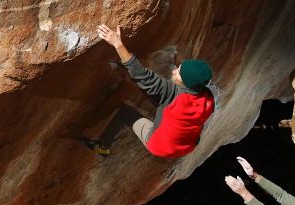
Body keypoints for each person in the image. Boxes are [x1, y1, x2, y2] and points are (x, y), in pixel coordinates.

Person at [88, 23, 215, 158]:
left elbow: (141, 75)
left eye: (178, 73)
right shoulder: (208, 98)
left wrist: (117, 43)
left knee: (125, 112)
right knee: (157, 96)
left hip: (160, 146)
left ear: (188, 84)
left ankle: (103, 147)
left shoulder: (173, 95)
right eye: (179, 67)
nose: (174, 71)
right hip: (188, 146)